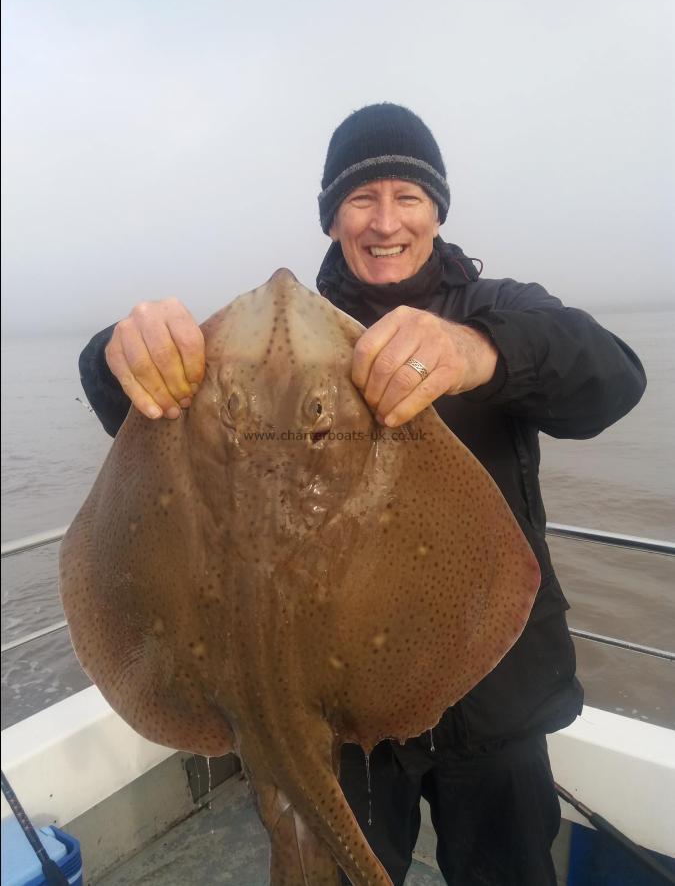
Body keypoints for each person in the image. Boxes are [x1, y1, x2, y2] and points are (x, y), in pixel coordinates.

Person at [79, 103, 646, 885]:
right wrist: (118, 350)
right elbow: (139, 423)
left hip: (499, 702)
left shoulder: (501, 310)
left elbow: (611, 378)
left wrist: (476, 351)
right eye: (360, 199)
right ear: (330, 216)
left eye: (407, 197)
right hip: (335, 723)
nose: (385, 221)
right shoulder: (264, 348)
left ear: (436, 210)